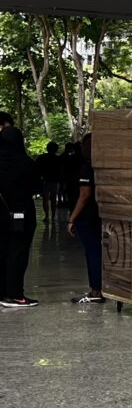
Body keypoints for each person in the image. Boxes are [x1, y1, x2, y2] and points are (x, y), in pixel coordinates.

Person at [0, 124, 42, 307]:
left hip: (0, 213)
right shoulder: (26, 163)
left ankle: (2, 292)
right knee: (18, 254)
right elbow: (37, 187)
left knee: (2, 252)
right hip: (21, 214)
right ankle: (15, 294)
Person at [66, 133, 104, 304]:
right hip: (98, 215)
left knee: (93, 253)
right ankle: (98, 288)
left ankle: (95, 291)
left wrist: (71, 219)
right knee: (96, 252)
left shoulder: (86, 168)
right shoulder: (101, 167)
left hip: (87, 217)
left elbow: (84, 195)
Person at [35, 142, 60, 223]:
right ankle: (52, 216)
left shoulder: (42, 157)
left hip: (45, 181)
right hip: (54, 181)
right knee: (53, 199)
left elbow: (37, 169)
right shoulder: (57, 159)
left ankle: (47, 216)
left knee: (45, 199)